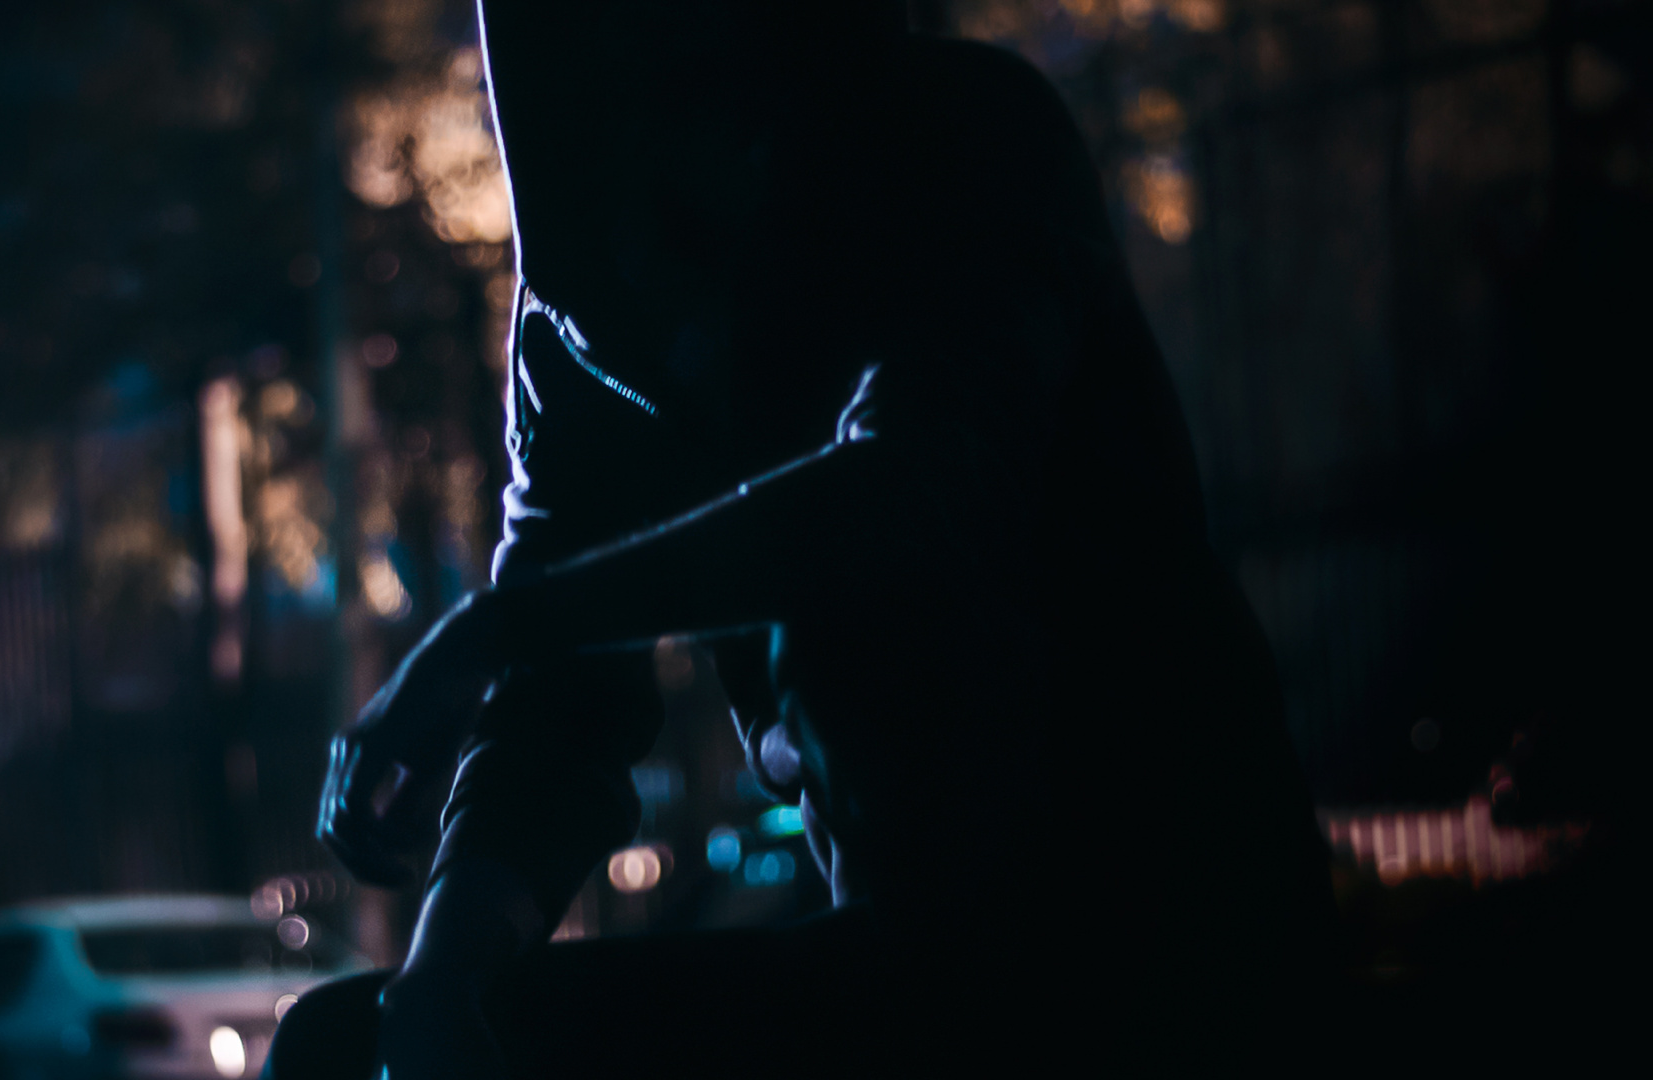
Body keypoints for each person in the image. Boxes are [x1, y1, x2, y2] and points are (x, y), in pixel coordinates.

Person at [277, 2, 1336, 1075]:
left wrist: (491, 633)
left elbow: (914, 490)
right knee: (344, 1051)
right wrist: (444, 979)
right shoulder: (586, 327)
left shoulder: (957, 140)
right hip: (907, 962)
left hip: (1155, 930)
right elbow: (561, 712)